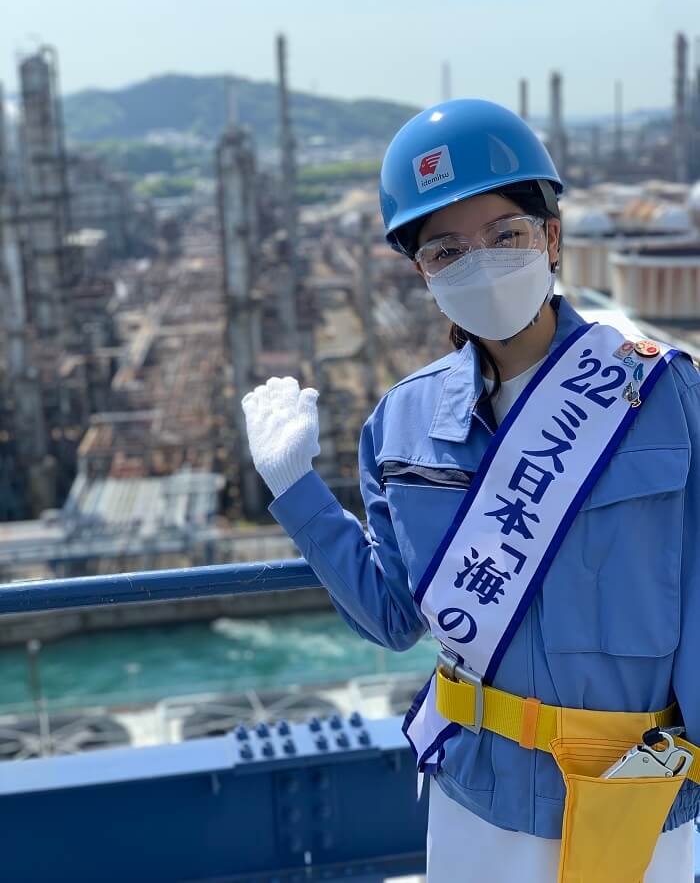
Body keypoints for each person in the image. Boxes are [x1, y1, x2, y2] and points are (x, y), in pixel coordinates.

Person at [241, 99, 700, 882]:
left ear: (551, 236)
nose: (479, 262)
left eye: (505, 235)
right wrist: (295, 488)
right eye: (447, 249)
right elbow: (393, 616)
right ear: (422, 272)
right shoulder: (402, 423)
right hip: (476, 796)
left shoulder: (660, 393)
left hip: (637, 790)